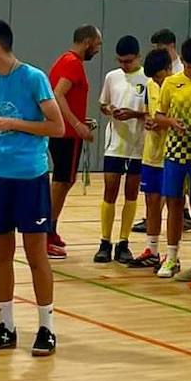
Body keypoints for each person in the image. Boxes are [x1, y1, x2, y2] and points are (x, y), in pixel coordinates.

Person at [0, 19, 65, 356]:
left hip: (29, 176)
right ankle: (6, 325)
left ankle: (46, 327)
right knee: (1, 253)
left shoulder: (34, 78)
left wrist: (12, 123)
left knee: (35, 253)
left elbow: (57, 126)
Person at [155, 37, 191, 281]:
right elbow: (159, 115)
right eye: (188, 66)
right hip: (175, 151)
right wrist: (171, 122)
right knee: (174, 205)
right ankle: (171, 257)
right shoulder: (171, 83)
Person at [47, 24, 102, 258]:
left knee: (64, 180)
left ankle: (50, 227)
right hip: (67, 134)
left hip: (65, 131)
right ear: (87, 41)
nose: (98, 50)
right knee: (62, 181)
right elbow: (58, 94)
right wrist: (77, 125)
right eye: (97, 45)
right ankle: (45, 231)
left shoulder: (64, 60)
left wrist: (80, 118)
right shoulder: (72, 63)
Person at [95, 35, 148, 265]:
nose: (123, 65)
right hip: (115, 142)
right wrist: (110, 109)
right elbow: (103, 103)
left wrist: (133, 113)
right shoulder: (112, 77)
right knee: (110, 190)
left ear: (138, 57)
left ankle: (124, 241)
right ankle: (105, 241)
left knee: (131, 192)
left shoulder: (148, 79)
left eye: (127, 61)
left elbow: (153, 112)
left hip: (138, 144)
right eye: (120, 61)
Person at [130, 47, 172, 268]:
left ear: (168, 69)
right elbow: (148, 112)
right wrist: (148, 121)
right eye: (153, 76)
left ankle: (174, 256)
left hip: (172, 153)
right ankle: (152, 249)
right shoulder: (150, 86)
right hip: (151, 153)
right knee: (151, 202)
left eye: (159, 74)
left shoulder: (177, 87)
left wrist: (162, 123)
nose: (156, 79)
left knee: (173, 204)